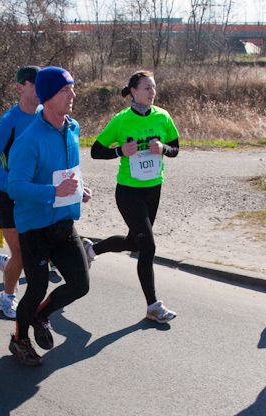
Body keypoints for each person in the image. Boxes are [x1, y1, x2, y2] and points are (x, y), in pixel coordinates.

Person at [6, 66, 92, 366]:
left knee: (80, 284)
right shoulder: (28, 140)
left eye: (72, 88)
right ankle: (18, 339)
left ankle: (40, 315)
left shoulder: (73, 128)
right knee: (37, 286)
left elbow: (66, 172)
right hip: (35, 227)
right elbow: (15, 186)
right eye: (64, 90)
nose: (72, 94)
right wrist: (55, 192)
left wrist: (78, 189)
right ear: (46, 97)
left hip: (63, 221)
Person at [89, 70, 180, 323]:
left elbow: (176, 149)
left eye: (154, 87)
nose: (152, 92)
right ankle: (153, 306)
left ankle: (91, 250)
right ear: (134, 92)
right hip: (129, 191)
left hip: (154, 188)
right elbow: (96, 151)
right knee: (148, 247)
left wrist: (163, 148)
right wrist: (120, 150)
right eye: (147, 88)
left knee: (135, 242)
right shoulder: (121, 120)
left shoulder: (163, 117)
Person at [0, 65, 40, 320]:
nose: (41, 90)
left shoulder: (45, 116)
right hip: (10, 196)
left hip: (36, 194)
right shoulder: (9, 121)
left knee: (36, 252)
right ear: (20, 87)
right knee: (22, 254)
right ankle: (6, 299)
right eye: (35, 84)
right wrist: (11, 184)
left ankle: (8, 264)